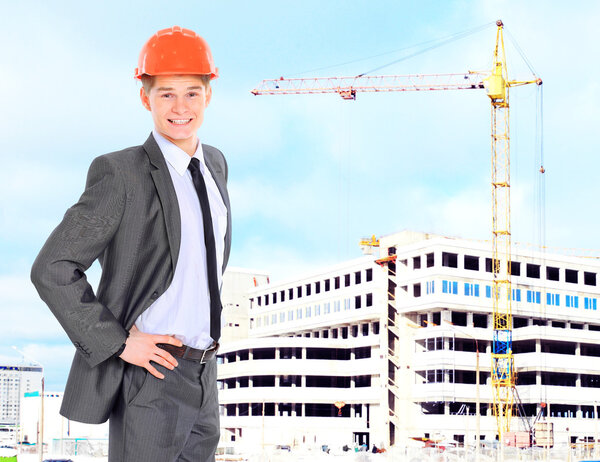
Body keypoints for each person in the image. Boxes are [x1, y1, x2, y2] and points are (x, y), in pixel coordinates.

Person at [31, 26, 231, 462]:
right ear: (146, 98)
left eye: (192, 93)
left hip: (207, 375)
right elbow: (53, 267)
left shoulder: (215, 164)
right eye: (166, 94)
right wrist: (119, 342)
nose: (181, 108)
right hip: (153, 375)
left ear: (209, 94)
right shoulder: (120, 174)